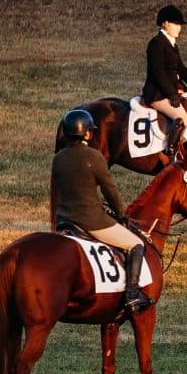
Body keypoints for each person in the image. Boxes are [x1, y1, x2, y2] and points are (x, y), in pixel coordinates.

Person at [51, 107, 152, 315]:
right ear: (87, 134)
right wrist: (121, 214)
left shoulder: (58, 158)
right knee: (136, 244)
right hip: (91, 220)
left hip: (64, 220)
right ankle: (132, 295)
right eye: (91, 131)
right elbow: (109, 190)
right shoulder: (93, 156)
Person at [143, 5, 187, 154]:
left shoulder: (171, 44)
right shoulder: (156, 44)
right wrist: (171, 94)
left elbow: (181, 69)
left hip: (172, 90)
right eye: (176, 24)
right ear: (165, 23)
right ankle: (170, 152)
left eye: (180, 25)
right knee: (181, 117)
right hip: (157, 94)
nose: (179, 28)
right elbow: (158, 73)